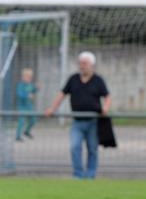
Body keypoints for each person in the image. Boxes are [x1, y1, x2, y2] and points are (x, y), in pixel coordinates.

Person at [45, 51, 111, 179]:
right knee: (75, 146)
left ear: (92, 65)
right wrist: (52, 108)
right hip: (77, 121)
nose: (82, 66)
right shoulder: (73, 79)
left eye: (85, 63)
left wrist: (106, 108)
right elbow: (62, 94)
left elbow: (107, 96)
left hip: (93, 121)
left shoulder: (98, 80)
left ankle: (90, 174)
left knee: (92, 149)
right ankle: (78, 174)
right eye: (80, 63)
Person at [15, 68, 38, 141]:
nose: (29, 78)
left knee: (33, 120)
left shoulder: (30, 85)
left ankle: (27, 131)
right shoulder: (20, 85)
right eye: (28, 77)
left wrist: (37, 88)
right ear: (23, 77)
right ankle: (18, 136)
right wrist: (27, 95)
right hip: (22, 106)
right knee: (21, 121)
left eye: (31, 77)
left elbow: (33, 91)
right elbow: (19, 94)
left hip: (29, 106)